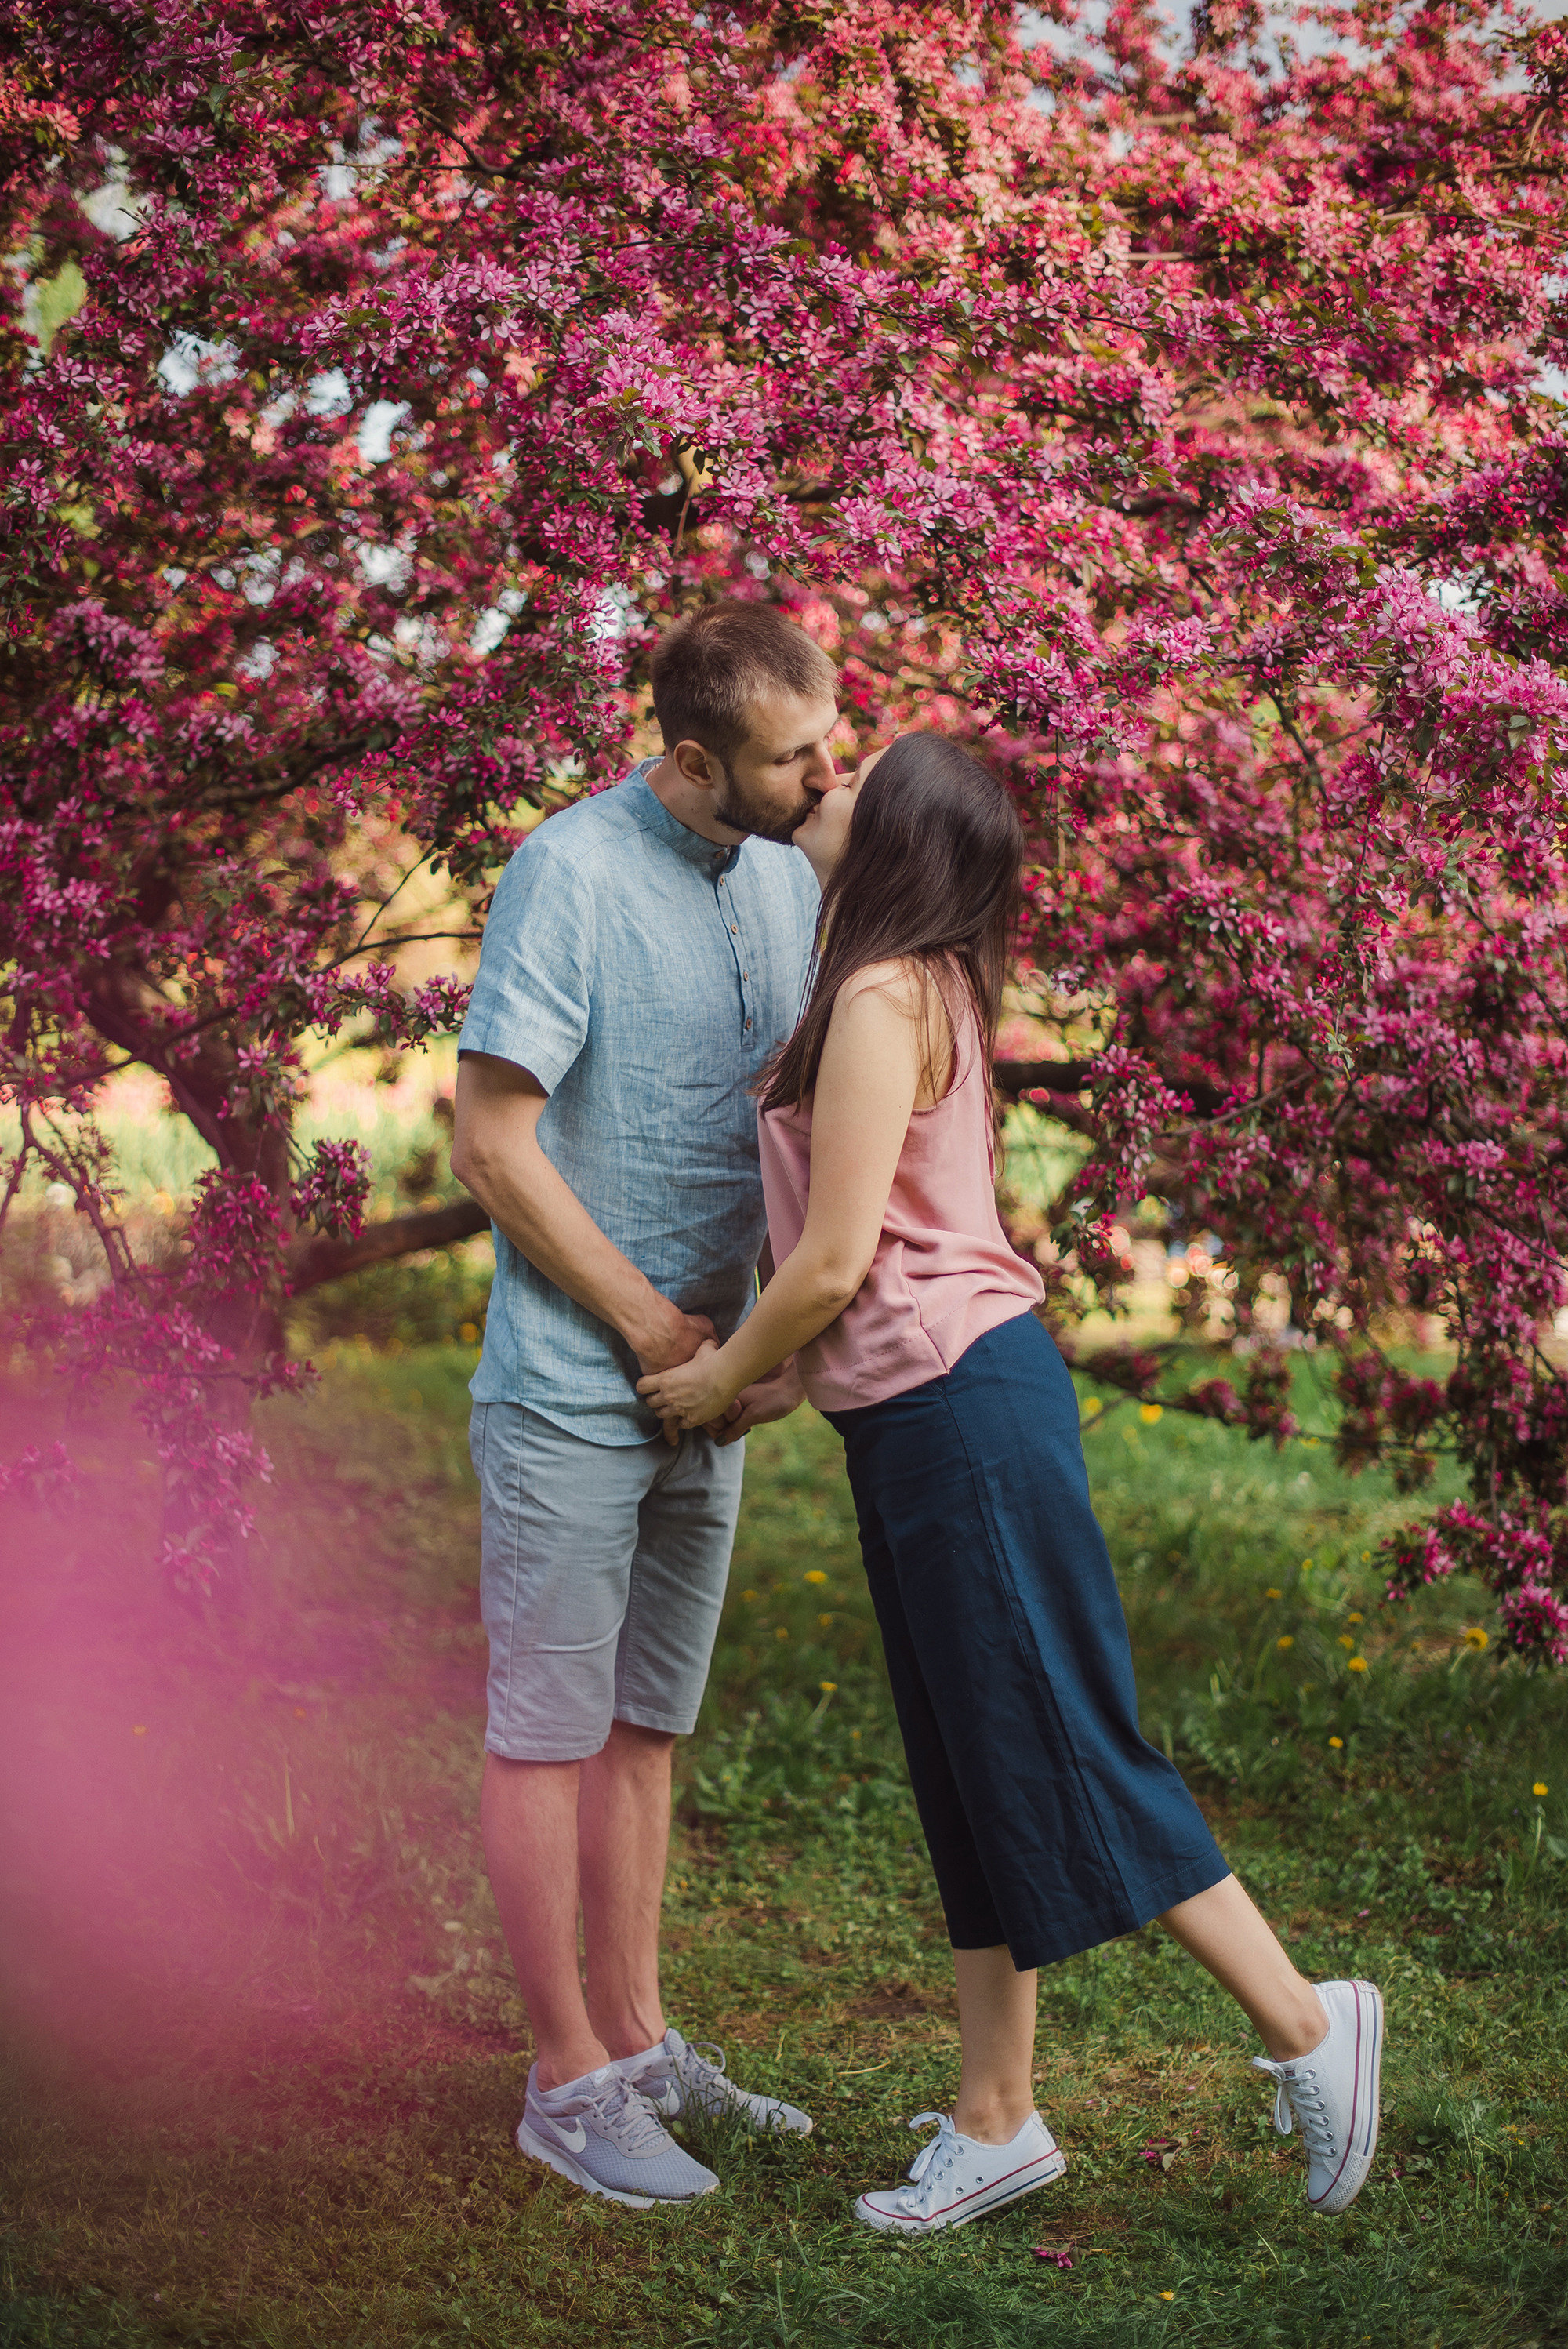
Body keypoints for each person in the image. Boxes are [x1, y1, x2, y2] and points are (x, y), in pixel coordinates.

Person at [638, 732, 1385, 2233]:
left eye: (853, 777)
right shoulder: (923, 989)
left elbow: (844, 1260)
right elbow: (883, 1246)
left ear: (898, 835)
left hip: (961, 1418)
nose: (824, 786)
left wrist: (727, 1376)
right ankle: (998, 2121)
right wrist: (784, 1379)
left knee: (1061, 1742)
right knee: (973, 1769)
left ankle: (1310, 2025)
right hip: (928, 1415)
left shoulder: (878, 997)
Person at [450, 599, 833, 2208]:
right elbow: (490, 1138)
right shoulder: (570, 874)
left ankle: (639, 2030)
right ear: (692, 759)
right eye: (792, 755)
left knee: (645, 1724)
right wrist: (645, 1327)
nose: (827, 773)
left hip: (707, 1392)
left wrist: (749, 1361)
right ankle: (563, 2078)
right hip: (572, 1387)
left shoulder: (784, 872)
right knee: (546, 1726)